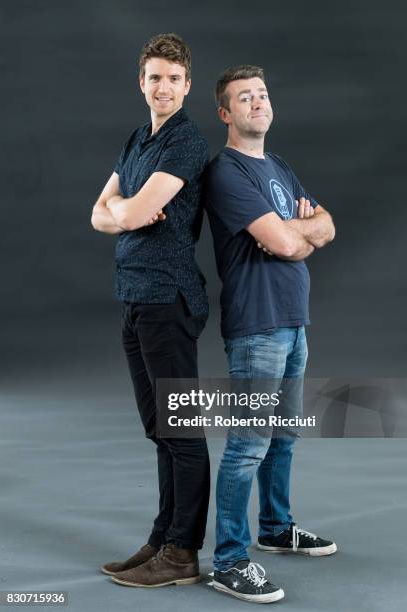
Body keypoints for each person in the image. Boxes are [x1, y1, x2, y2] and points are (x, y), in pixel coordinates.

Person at [204, 65, 336, 603]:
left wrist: (294, 235)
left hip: (293, 320)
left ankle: (277, 529)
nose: (257, 102)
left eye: (261, 94)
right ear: (225, 113)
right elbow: (287, 244)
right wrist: (295, 237)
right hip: (256, 325)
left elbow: (321, 226)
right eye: (244, 97)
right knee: (248, 445)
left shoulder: (277, 165)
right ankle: (229, 560)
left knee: (285, 435)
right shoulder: (226, 172)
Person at [91, 33, 210, 588]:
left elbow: (133, 210)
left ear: (186, 87)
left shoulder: (184, 142)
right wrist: (126, 211)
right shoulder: (139, 139)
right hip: (135, 296)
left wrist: (127, 210)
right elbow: (101, 214)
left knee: (181, 430)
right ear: (141, 83)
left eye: (173, 78)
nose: (162, 87)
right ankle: (163, 538)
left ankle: (183, 552)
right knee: (160, 429)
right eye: (153, 77)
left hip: (169, 298)